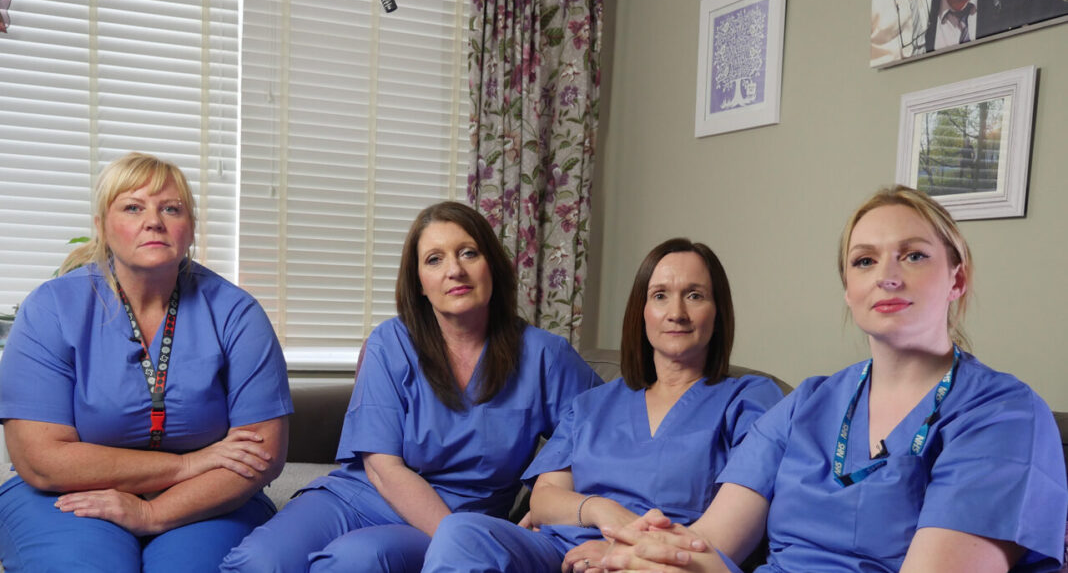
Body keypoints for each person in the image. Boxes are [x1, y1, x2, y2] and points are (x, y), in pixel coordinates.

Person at [600, 186, 1067, 573]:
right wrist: (644, 551)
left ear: (957, 280)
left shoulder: (1005, 416)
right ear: (848, 289)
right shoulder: (808, 402)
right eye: (864, 261)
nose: (886, 276)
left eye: (913, 256)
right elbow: (706, 543)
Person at [222, 201, 602, 573]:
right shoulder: (390, 342)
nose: (454, 270)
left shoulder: (544, 355)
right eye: (434, 259)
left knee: (354, 561)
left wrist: (550, 504)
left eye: (468, 253)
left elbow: (606, 429)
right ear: (419, 282)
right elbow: (383, 468)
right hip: (360, 496)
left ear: (493, 265)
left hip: (454, 519)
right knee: (258, 561)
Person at [0, 152, 293, 572]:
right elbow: (42, 461)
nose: (153, 221)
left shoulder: (237, 313)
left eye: (171, 208)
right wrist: (187, 463)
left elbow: (261, 456)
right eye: (133, 207)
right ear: (102, 227)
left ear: (190, 228)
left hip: (208, 497)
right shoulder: (50, 308)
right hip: (64, 495)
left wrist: (151, 513)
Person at [420, 238, 784, 573]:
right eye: (660, 296)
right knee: (460, 532)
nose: (676, 312)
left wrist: (620, 552)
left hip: (660, 562)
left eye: (694, 295)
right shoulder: (593, 403)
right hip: (559, 553)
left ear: (718, 313)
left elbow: (727, 535)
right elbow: (543, 500)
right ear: (641, 313)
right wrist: (601, 510)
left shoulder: (749, 400)